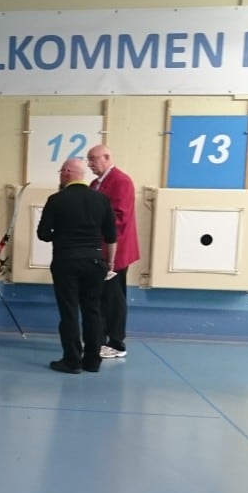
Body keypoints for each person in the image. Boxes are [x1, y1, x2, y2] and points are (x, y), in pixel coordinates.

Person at [37, 158, 117, 374]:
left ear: (67, 172)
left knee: (69, 311)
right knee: (93, 311)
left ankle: (72, 361)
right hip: (95, 261)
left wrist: (60, 234)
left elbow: (43, 234)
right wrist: (109, 262)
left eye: (61, 171)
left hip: (66, 260)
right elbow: (111, 236)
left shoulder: (56, 200)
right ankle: (93, 361)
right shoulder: (102, 200)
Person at [87, 144, 139, 360]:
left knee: (114, 299)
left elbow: (120, 217)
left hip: (116, 251)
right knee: (99, 297)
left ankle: (116, 343)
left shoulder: (121, 181)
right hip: (99, 249)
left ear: (107, 157)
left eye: (93, 159)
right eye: (88, 160)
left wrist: (91, 229)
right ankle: (99, 340)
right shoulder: (94, 184)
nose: (89, 164)